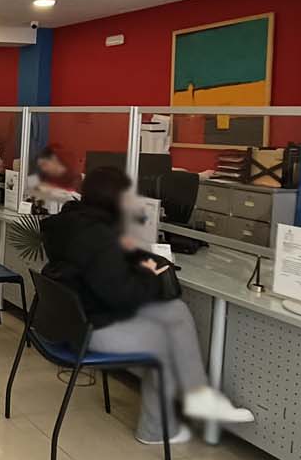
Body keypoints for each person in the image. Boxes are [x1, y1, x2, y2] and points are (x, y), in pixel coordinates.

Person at [40, 165, 254, 445]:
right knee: (165, 343)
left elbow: (99, 271)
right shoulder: (98, 237)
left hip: (74, 317)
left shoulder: (72, 224)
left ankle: (200, 397)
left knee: (176, 311)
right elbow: (121, 294)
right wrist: (153, 278)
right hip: (91, 328)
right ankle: (156, 429)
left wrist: (131, 259)